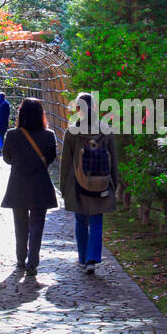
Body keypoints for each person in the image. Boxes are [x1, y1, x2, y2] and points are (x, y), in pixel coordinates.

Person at [59, 92, 119, 275]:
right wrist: (113, 184)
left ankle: (83, 257)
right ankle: (92, 258)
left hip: (78, 183)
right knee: (96, 219)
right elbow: (113, 161)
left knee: (80, 219)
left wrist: (64, 187)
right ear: (94, 107)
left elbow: (66, 162)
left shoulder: (72, 132)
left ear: (78, 109)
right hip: (100, 182)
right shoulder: (106, 130)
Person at [0, 97, 57, 276]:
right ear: (41, 114)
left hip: (18, 184)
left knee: (20, 224)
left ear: (21, 114)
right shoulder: (49, 135)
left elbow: (7, 158)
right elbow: (51, 158)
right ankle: (32, 261)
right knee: (37, 224)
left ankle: (20, 259)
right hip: (40, 184)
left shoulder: (12, 134)